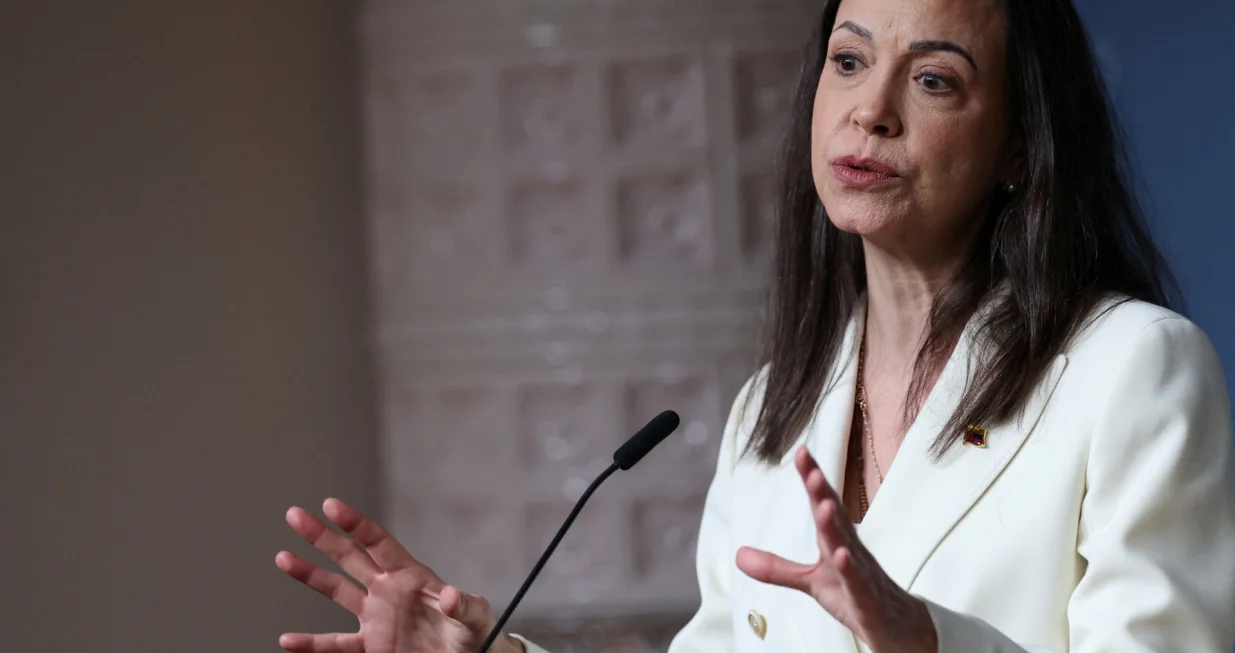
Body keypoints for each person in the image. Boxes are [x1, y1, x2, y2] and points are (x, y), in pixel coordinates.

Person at [272, 0, 1235, 650]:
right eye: (848, 61)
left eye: (933, 80)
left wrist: (926, 642)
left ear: (1021, 139)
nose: (871, 111)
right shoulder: (770, 409)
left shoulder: (1130, 368)